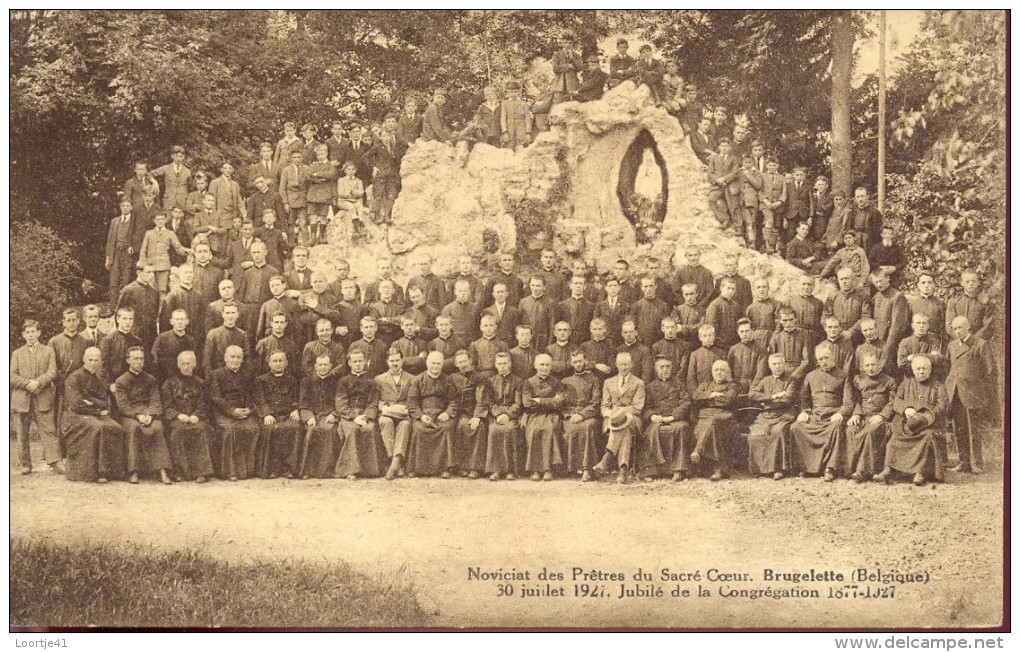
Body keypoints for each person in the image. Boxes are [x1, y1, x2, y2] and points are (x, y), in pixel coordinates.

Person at [876, 355, 949, 485]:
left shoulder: (938, 386)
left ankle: (920, 473)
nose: (921, 372)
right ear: (913, 370)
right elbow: (896, 401)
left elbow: (942, 406)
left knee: (927, 438)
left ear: (930, 370)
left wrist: (925, 415)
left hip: (928, 425)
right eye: (918, 369)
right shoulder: (906, 384)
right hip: (908, 424)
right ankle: (889, 469)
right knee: (895, 438)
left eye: (924, 369)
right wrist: (906, 408)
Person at [790, 342, 853, 481]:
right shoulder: (810, 376)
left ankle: (830, 468)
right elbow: (804, 399)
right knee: (796, 427)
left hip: (833, 415)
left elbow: (848, 402)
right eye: (820, 359)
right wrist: (804, 411)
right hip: (816, 416)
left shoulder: (843, 375)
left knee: (836, 428)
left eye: (826, 358)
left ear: (833, 357)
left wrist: (841, 413)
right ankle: (806, 467)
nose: (824, 362)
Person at [62, 347, 126, 483]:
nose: (93, 363)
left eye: (96, 360)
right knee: (98, 427)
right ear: (84, 360)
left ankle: (113, 472)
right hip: (75, 416)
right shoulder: (74, 377)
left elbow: (103, 401)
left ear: (100, 362)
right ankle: (95, 472)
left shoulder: (99, 378)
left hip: (95, 413)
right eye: (90, 360)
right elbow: (76, 404)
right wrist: (96, 409)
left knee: (116, 427)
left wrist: (91, 402)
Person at [945, 315, 996, 474]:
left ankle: (976, 463)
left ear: (968, 327)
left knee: (974, 430)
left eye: (960, 327)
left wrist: (983, 392)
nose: (957, 331)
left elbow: (990, 371)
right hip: (955, 391)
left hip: (973, 393)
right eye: (954, 328)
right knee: (959, 428)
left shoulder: (980, 344)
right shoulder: (952, 346)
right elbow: (947, 368)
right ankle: (963, 462)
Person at [114, 346, 172, 485]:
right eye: (135, 359)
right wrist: (138, 416)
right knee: (134, 428)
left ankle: (162, 470)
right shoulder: (121, 381)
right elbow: (123, 406)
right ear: (128, 360)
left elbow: (156, 402)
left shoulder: (150, 379)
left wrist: (151, 415)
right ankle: (133, 471)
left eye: (141, 359)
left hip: (149, 414)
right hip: (130, 417)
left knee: (157, 427)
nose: (139, 362)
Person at [11, 319, 59, 475]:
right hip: (22, 399)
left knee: (48, 430)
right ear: (23, 335)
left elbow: (52, 372)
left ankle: (54, 462)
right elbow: (11, 375)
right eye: (27, 332)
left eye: (33, 332)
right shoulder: (17, 353)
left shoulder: (48, 351)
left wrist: (38, 382)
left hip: (42, 396)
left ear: (39, 333)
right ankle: (25, 464)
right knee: (22, 432)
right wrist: (27, 383)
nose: (31, 335)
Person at [161, 350, 214, 483]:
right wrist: (178, 415)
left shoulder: (201, 383)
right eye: (183, 364)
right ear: (178, 365)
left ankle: (202, 472)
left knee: (200, 429)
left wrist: (197, 415)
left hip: (196, 418)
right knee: (177, 432)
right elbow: (166, 406)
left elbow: (205, 404)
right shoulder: (170, 383)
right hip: (177, 419)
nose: (186, 367)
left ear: (194, 364)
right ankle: (179, 472)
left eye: (188, 363)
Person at [593, 351, 645, 484]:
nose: (624, 367)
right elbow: (604, 406)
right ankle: (623, 470)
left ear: (632, 365)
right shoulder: (608, 382)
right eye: (621, 364)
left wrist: (620, 412)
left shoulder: (639, 383)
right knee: (623, 428)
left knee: (625, 421)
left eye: (626, 364)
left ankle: (607, 458)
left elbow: (638, 407)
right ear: (616, 365)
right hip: (612, 419)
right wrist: (612, 415)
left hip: (633, 418)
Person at [210, 345, 260, 481]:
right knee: (231, 430)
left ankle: (248, 470)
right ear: (225, 358)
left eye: (239, 357)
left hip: (244, 412)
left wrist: (249, 409)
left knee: (253, 427)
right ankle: (230, 471)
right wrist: (232, 411)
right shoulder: (216, 374)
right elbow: (216, 398)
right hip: (223, 413)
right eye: (232, 357)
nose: (235, 360)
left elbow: (251, 395)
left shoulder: (247, 374)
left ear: (242, 359)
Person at [845, 352, 897, 482]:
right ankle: (850, 469)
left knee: (870, 432)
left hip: (880, 420)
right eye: (867, 365)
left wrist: (882, 416)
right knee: (851, 430)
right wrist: (856, 414)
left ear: (879, 364)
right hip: (863, 417)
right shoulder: (859, 381)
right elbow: (856, 400)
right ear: (863, 366)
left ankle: (862, 471)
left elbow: (892, 402)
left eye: (873, 364)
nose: (871, 368)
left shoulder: (889, 381)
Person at [639, 356, 693, 481]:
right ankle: (650, 470)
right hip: (657, 419)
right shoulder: (650, 387)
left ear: (672, 368)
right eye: (661, 367)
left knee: (681, 428)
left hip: (675, 419)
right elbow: (646, 407)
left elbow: (686, 403)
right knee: (651, 431)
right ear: (656, 369)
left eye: (667, 366)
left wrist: (673, 416)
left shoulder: (680, 385)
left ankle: (678, 470)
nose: (665, 369)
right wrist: (652, 416)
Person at [407, 351, 459, 477]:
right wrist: (421, 416)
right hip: (424, 414)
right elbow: (412, 402)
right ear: (427, 363)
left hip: (442, 413)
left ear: (442, 364)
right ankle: (417, 468)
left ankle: (445, 468)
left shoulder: (448, 380)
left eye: (438, 364)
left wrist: (447, 413)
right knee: (419, 429)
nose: (435, 366)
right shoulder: (418, 379)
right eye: (433, 363)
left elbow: (454, 400)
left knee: (446, 428)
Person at [747, 353, 797, 480]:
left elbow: (788, 399)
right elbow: (752, 394)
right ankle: (760, 469)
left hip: (783, 414)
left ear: (784, 364)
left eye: (780, 363)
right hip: (766, 415)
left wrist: (765, 402)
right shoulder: (765, 380)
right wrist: (772, 397)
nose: (777, 366)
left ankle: (778, 469)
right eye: (774, 364)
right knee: (755, 435)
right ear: (769, 366)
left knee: (777, 432)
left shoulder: (791, 380)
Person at [253, 350, 302, 479]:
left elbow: (296, 397)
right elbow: (260, 400)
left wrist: (295, 409)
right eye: (275, 361)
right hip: (271, 415)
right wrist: (266, 414)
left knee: (295, 428)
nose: (278, 364)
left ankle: (288, 468)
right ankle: (273, 468)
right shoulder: (261, 380)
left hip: (287, 414)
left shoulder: (292, 379)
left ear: (286, 363)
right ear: (269, 363)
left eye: (281, 361)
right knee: (271, 429)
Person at [690, 359, 739, 480]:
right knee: (711, 425)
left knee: (713, 423)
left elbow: (729, 400)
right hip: (705, 417)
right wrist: (712, 395)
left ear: (727, 372)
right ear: (712, 372)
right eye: (716, 370)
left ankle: (698, 451)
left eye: (722, 370)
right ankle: (715, 469)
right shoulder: (705, 384)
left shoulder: (732, 385)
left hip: (724, 417)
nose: (719, 373)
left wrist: (706, 398)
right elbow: (695, 397)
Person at [521, 353, 567, 482]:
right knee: (534, 430)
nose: (544, 368)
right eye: (542, 364)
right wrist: (549, 402)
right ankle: (535, 469)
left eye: (547, 365)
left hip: (551, 415)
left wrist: (539, 401)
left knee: (550, 429)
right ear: (535, 366)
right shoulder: (528, 382)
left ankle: (548, 469)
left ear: (551, 367)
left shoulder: (557, 383)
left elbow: (559, 402)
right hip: (533, 415)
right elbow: (527, 403)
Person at [375, 348, 415, 480]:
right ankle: (395, 464)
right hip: (386, 412)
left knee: (404, 425)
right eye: (392, 361)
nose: (395, 363)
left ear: (402, 360)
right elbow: (376, 400)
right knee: (386, 422)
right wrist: (383, 407)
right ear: (387, 362)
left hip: (404, 413)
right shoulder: (379, 379)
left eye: (397, 360)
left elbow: (414, 399)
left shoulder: (411, 379)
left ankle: (394, 465)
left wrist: (406, 408)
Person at [106, 198, 143, 305]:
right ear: (120, 207)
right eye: (123, 206)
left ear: (131, 207)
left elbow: (138, 237)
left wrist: (133, 247)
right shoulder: (115, 221)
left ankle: (124, 307)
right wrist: (108, 257)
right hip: (115, 254)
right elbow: (110, 240)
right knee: (114, 282)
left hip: (128, 254)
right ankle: (113, 308)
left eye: (127, 206)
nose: (125, 208)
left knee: (126, 281)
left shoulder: (135, 222)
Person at [823, 266, 870, 345]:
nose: (844, 281)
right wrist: (835, 330)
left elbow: (865, 317)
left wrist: (851, 332)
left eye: (847, 278)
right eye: (841, 279)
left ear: (853, 279)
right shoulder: (832, 296)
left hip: (856, 337)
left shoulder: (863, 296)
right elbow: (826, 316)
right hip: (836, 336)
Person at [100, 307, 143, 392]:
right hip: (115, 385)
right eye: (124, 319)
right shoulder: (108, 340)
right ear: (118, 319)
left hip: (133, 384)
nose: (128, 322)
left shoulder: (137, 341)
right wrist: (110, 384)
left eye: (130, 319)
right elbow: (103, 366)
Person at [945, 270, 995, 342]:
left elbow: (988, 326)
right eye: (967, 281)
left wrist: (972, 340)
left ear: (978, 283)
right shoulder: (953, 302)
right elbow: (949, 325)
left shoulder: (984, 303)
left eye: (973, 281)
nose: (971, 284)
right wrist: (961, 339)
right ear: (962, 283)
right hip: (957, 343)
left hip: (978, 343)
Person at [151, 309, 196, 383]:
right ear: (171, 321)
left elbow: (193, 362)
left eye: (182, 319)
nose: (180, 322)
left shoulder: (191, 340)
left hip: (185, 380)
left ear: (187, 321)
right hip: (166, 380)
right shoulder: (162, 338)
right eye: (177, 319)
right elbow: (154, 358)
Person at [203, 303, 250, 374]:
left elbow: (247, 359)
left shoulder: (242, 334)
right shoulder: (213, 334)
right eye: (227, 313)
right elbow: (207, 360)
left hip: (237, 375)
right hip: (217, 375)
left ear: (237, 315)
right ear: (223, 314)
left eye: (233, 313)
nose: (230, 316)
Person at [897, 313, 945, 380]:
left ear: (928, 326)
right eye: (918, 323)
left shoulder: (934, 342)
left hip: (930, 380)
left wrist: (913, 357)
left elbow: (937, 360)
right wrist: (929, 356)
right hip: (911, 380)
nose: (921, 326)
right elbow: (901, 363)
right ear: (913, 325)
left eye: (924, 323)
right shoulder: (905, 342)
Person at [707, 139, 740, 230]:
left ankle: (738, 225)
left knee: (733, 204)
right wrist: (718, 180)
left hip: (729, 185)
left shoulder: (734, 158)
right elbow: (710, 173)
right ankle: (724, 219)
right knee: (711, 199)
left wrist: (725, 179)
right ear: (719, 147)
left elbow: (735, 172)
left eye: (726, 146)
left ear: (729, 148)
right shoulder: (713, 158)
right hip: (717, 186)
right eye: (722, 146)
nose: (724, 148)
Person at [908, 271, 947, 349]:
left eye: (929, 282)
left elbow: (944, 328)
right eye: (923, 282)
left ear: (933, 285)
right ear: (918, 285)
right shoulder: (912, 304)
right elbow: (908, 325)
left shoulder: (940, 304)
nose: (926, 285)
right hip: (916, 342)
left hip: (934, 343)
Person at [629, 276, 670, 349]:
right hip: (641, 344)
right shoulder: (636, 306)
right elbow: (633, 326)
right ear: (641, 287)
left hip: (659, 343)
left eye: (651, 286)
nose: (649, 289)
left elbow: (666, 326)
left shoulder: (664, 305)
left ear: (656, 286)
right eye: (646, 286)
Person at [279, 150, 310, 242]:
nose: (297, 159)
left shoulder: (307, 169)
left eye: (299, 157)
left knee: (303, 223)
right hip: (290, 201)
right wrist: (285, 203)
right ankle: (291, 244)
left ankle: (305, 243)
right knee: (290, 223)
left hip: (303, 201)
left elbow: (309, 185)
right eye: (295, 157)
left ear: (302, 158)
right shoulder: (286, 170)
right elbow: (282, 188)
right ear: (291, 158)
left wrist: (308, 199)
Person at [687, 323, 726, 392]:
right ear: (700, 337)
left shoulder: (721, 353)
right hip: (701, 390)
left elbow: (726, 374)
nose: (707, 338)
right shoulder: (695, 354)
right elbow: (691, 377)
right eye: (704, 336)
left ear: (714, 336)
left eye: (710, 335)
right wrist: (696, 393)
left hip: (717, 390)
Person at [759, 157, 787, 253]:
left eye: (774, 165)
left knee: (775, 226)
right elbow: (759, 190)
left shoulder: (782, 178)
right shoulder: (762, 176)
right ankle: (766, 244)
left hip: (777, 205)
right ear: (767, 166)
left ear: (777, 166)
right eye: (770, 165)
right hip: (766, 204)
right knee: (769, 221)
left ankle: (772, 246)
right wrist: (765, 201)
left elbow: (784, 193)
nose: (772, 167)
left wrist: (779, 202)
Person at [705, 277, 742, 350]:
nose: (731, 291)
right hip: (720, 346)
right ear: (721, 288)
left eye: (733, 289)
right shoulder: (714, 305)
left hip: (735, 345)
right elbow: (712, 327)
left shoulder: (736, 306)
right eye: (728, 288)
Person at [674, 246, 715, 311]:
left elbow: (710, 292)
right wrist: (685, 306)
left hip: (702, 308)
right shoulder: (680, 273)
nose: (693, 258)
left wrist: (699, 306)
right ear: (686, 256)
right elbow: (676, 291)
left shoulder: (707, 272)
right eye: (690, 255)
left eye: (695, 255)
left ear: (699, 255)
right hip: (685, 309)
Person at [652, 316, 692, 381]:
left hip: (678, 381)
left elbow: (684, 366)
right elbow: (655, 367)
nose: (670, 330)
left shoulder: (685, 345)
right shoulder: (656, 346)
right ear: (662, 329)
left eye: (672, 327)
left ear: (676, 328)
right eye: (667, 327)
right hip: (662, 380)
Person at [737, 155, 763, 249]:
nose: (747, 164)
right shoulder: (739, 172)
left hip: (753, 200)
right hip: (743, 200)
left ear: (753, 163)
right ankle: (751, 242)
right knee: (747, 222)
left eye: (749, 162)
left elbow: (758, 185)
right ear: (742, 162)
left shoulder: (757, 173)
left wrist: (748, 174)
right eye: (745, 162)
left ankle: (753, 243)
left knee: (753, 222)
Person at [849, 187, 884, 252]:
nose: (860, 199)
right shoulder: (853, 212)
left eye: (862, 196)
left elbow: (878, 233)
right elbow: (850, 229)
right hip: (856, 244)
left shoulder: (875, 212)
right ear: (855, 198)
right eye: (858, 197)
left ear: (867, 197)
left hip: (870, 245)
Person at [550, 34, 583, 104]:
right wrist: (569, 66)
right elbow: (555, 68)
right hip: (559, 85)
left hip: (572, 85)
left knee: (572, 105)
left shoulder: (576, 56)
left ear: (573, 44)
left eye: (570, 43)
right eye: (565, 42)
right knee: (556, 104)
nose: (567, 45)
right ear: (562, 43)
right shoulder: (556, 55)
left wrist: (572, 58)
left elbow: (580, 68)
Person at [618, 319, 653, 384]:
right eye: (625, 332)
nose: (628, 334)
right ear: (622, 334)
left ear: (636, 332)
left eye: (631, 331)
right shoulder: (618, 350)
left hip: (638, 387)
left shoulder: (644, 350)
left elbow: (647, 374)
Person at [783, 166, 811, 239]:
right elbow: (785, 202)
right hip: (791, 215)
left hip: (803, 215)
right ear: (793, 175)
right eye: (797, 175)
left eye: (801, 175)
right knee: (790, 234)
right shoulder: (788, 186)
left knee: (803, 234)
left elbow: (811, 203)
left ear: (804, 176)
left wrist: (811, 216)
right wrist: (784, 218)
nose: (799, 177)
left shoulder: (808, 186)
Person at [808, 176, 833, 243]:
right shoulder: (813, 195)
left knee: (820, 237)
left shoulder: (829, 196)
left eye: (822, 184)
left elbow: (827, 208)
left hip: (823, 220)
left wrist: (817, 209)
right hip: (813, 220)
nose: (821, 186)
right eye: (819, 185)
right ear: (816, 185)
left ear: (826, 185)